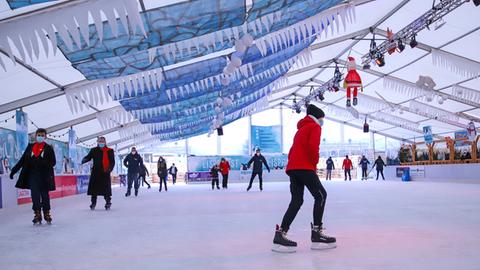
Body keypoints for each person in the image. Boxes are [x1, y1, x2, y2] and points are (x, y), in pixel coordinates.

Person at [273, 104, 336, 253]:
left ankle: (280, 234)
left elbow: (292, 150)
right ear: (317, 117)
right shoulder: (315, 127)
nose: (322, 122)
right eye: (322, 119)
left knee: (297, 201)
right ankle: (317, 233)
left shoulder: (300, 129)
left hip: (293, 168)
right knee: (321, 195)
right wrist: (313, 164)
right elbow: (313, 147)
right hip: (304, 166)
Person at [10, 128, 56, 225]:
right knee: (35, 196)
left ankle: (46, 213)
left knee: (45, 196)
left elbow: (53, 162)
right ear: (35, 136)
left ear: (45, 136)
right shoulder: (30, 147)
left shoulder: (48, 148)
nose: (40, 137)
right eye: (38, 135)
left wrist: (43, 162)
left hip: (44, 177)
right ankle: (37, 214)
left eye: (42, 135)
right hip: (32, 176)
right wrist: (13, 171)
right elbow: (22, 160)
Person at [81, 137, 115, 210]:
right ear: (97, 142)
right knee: (94, 189)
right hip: (95, 172)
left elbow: (112, 161)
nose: (101, 143)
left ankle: (108, 202)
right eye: (100, 141)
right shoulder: (94, 150)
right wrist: (84, 160)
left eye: (102, 141)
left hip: (105, 172)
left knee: (106, 189)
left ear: (105, 142)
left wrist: (109, 169)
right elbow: (89, 157)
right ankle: (93, 203)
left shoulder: (110, 151)